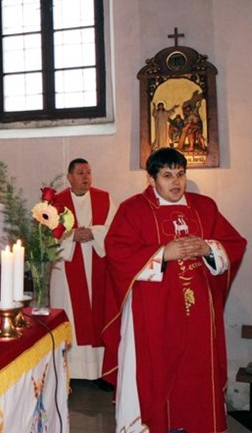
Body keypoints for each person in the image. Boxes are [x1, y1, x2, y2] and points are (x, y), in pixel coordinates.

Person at [101, 148, 246, 432]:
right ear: (151, 178)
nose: (176, 182)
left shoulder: (204, 207)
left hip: (200, 315)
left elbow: (235, 243)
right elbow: (116, 251)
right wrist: (162, 254)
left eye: (180, 174)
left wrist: (208, 248)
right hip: (152, 312)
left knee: (198, 374)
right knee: (156, 374)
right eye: (167, 175)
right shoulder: (133, 209)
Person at [51, 158, 116, 382]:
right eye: (80, 173)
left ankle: (101, 371)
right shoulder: (55, 203)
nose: (85, 177)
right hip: (67, 270)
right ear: (69, 177)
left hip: (97, 263)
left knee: (99, 312)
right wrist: (71, 236)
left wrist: (94, 233)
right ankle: (72, 372)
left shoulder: (104, 198)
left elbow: (115, 229)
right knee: (70, 313)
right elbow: (46, 236)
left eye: (88, 172)